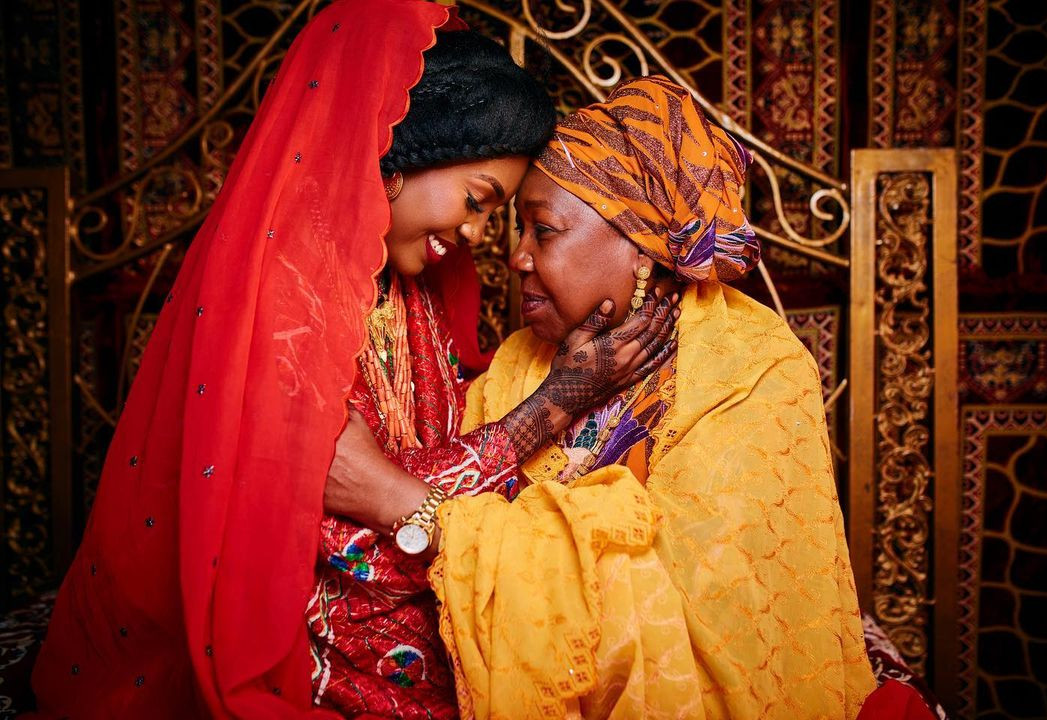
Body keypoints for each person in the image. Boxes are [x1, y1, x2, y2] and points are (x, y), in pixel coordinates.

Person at [31, 3, 675, 717]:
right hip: (311, 635)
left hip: (409, 592)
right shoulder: (286, 304)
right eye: (478, 201)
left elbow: (392, 482)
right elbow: (344, 532)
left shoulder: (402, 287)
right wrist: (550, 409)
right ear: (403, 157)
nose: (477, 234)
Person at [428, 75, 880, 719]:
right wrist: (563, 396)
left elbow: (701, 619)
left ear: (642, 247)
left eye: (544, 231)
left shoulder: (752, 369)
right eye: (517, 231)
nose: (518, 258)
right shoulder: (519, 365)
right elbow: (443, 535)